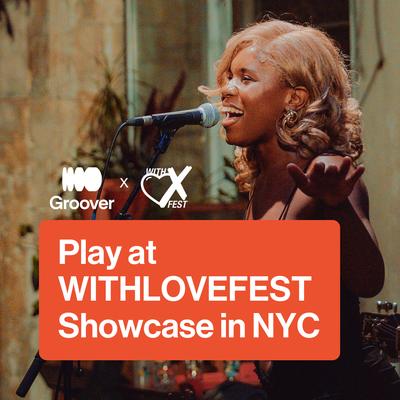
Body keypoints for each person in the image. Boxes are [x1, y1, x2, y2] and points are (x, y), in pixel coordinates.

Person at [200, 19, 400, 399]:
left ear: (293, 99)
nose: (227, 89)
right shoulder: (262, 183)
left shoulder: (324, 172)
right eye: (228, 77)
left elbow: (369, 280)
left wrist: (338, 207)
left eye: (246, 78)